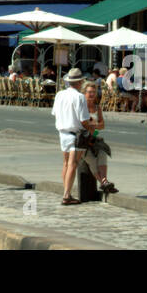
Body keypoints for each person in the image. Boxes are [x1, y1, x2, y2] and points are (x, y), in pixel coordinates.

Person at [51, 68, 88, 206]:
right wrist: (91, 127)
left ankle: (66, 192)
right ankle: (66, 195)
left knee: (66, 163)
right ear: (79, 82)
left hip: (62, 132)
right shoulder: (79, 97)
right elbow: (83, 119)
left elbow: (55, 113)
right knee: (73, 164)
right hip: (75, 134)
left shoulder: (59, 94)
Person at [81, 80, 116, 194]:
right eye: (89, 92)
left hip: (93, 138)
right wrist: (93, 126)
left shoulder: (97, 107)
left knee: (102, 153)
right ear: (84, 93)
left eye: (93, 92)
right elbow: (83, 124)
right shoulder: (81, 107)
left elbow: (101, 126)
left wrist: (93, 128)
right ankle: (103, 182)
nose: (91, 94)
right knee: (91, 160)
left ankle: (104, 180)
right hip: (82, 140)